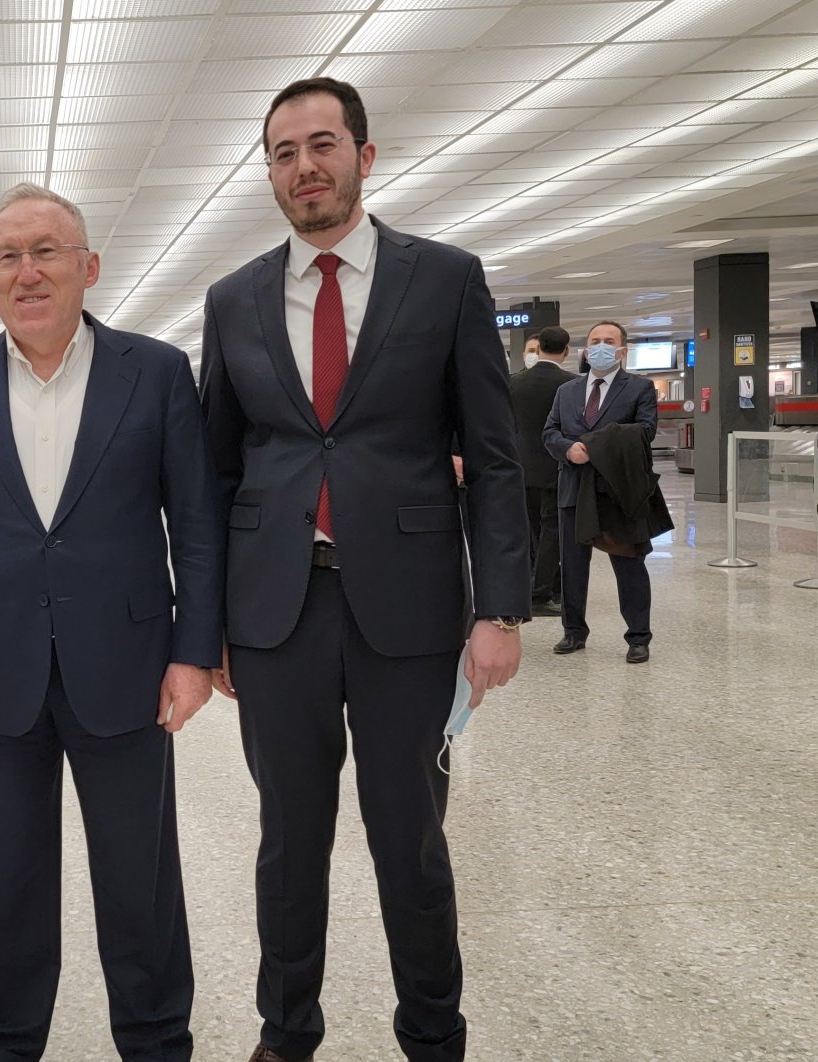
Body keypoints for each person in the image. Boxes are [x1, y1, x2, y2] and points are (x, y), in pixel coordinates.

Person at [200, 79, 530, 1062]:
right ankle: (285, 1034)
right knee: (288, 845)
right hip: (277, 614)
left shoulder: (446, 280)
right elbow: (218, 470)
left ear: (364, 156)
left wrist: (502, 607)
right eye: (283, 151)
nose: (305, 166)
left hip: (413, 615)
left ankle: (433, 1035)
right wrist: (206, 620)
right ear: (269, 171)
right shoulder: (234, 301)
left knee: (411, 843)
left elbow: (496, 455)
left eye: (323, 144)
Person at [0, 182, 225, 1062]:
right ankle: (5, 1043)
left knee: (140, 877)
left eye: (45, 250)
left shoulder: (154, 371)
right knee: (4, 879)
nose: (26, 270)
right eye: (7, 256)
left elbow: (193, 523)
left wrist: (194, 652)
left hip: (125, 662)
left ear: (87, 267)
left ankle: (157, 1040)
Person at [542, 320, 658, 664]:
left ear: (623, 350)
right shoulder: (567, 391)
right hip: (574, 489)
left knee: (628, 564)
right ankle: (573, 631)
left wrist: (592, 445)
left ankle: (638, 637)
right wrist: (567, 449)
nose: (601, 346)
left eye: (609, 341)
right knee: (573, 565)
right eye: (595, 341)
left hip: (618, 492)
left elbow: (645, 432)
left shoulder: (639, 388)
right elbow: (550, 431)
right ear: (585, 348)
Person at [509, 326, 577, 616]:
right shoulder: (572, 385)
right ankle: (540, 592)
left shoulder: (513, 383)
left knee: (534, 529)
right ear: (566, 351)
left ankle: (549, 585)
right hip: (557, 465)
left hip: (521, 466)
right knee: (554, 529)